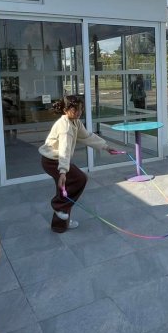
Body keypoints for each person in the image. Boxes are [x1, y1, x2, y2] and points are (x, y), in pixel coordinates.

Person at [39, 95, 120, 233]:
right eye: (75, 109)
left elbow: (87, 137)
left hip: (57, 160)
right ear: (65, 110)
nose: (78, 112)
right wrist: (63, 171)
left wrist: (106, 147)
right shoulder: (65, 127)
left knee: (65, 188)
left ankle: (60, 225)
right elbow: (64, 150)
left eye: (80, 109)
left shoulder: (75, 122)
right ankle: (59, 206)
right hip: (52, 161)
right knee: (79, 179)